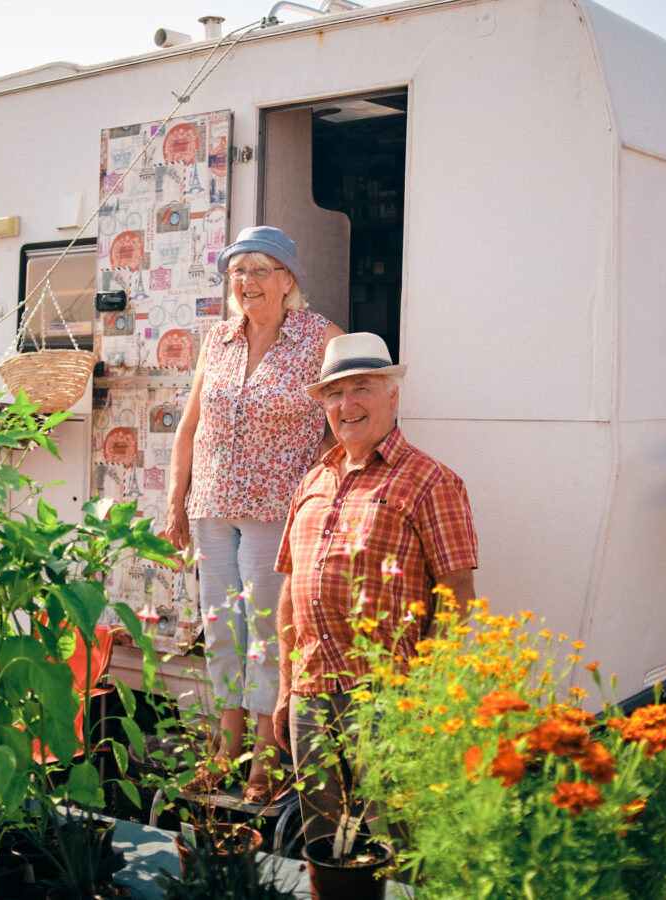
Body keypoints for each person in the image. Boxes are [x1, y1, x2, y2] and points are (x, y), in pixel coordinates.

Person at [271, 331, 479, 844]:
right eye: (334, 394)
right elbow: (290, 589)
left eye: (361, 387)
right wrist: (283, 690)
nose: (347, 404)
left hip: (388, 696)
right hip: (310, 692)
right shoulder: (313, 480)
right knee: (326, 845)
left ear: (393, 393)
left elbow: (456, 594)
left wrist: (425, 696)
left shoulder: (431, 481)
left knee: (395, 843)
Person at [165, 225, 342, 803]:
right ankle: (225, 751)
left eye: (261, 269)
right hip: (212, 505)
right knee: (221, 629)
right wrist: (175, 504)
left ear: (288, 280)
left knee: (267, 633)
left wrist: (318, 477)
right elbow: (190, 427)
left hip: (275, 508)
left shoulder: (321, 338)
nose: (247, 282)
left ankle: (266, 759)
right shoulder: (217, 339)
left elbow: (347, 415)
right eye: (238, 271)